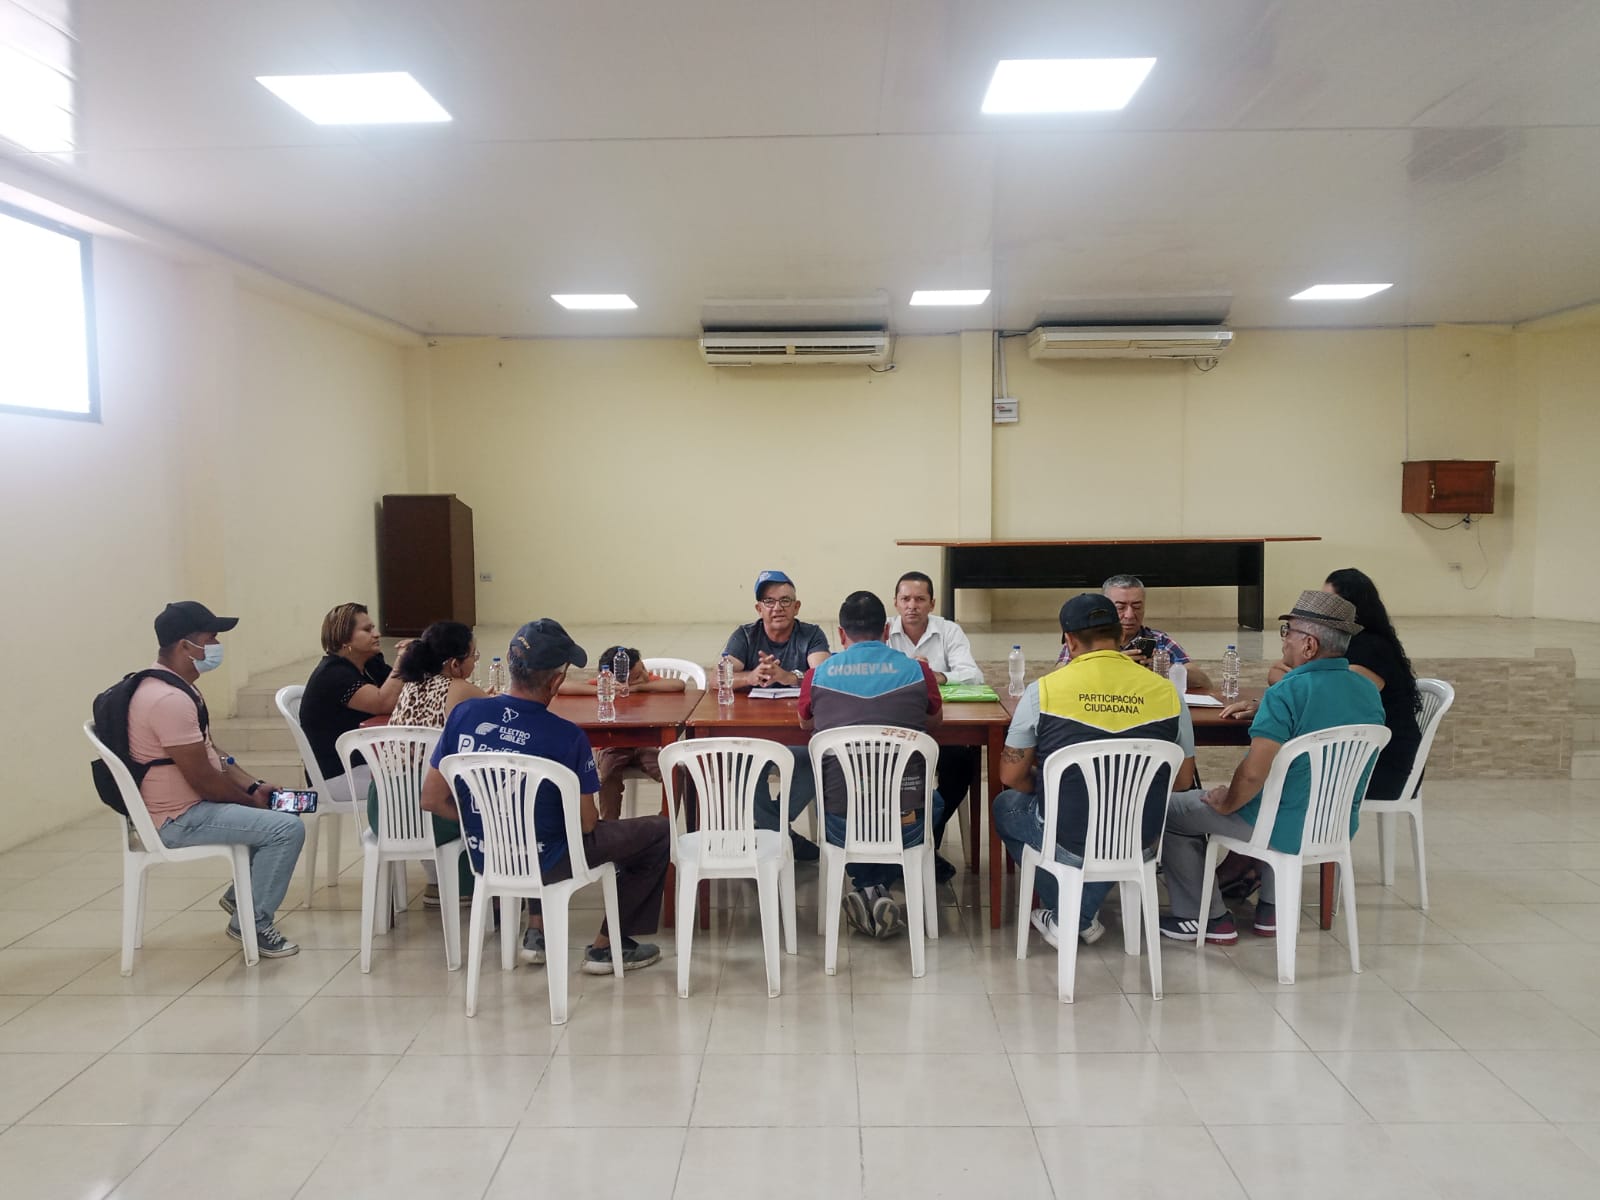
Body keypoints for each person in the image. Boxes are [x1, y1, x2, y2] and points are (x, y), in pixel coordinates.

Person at [421, 619, 670, 973]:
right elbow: (587, 823)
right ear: (555, 682)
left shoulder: (464, 714)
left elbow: (431, 799)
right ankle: (608, 947)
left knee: (534, 822)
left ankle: (536, 931)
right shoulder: (566, 736)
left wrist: (495, 823)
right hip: (549, 859)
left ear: (510, 664)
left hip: (488, 854)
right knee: (658, 833)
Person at [1158, 590, 1385, 943]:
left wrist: (1226, 802)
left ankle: (1206, 919)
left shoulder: (1287, 693)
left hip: (1277, 826)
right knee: (1290, 792)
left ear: (1309, 645)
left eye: (1288, 632)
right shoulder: (1367, 691)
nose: (1284, 641)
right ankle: (1272, 911)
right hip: (1335, 824)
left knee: (1169, 811)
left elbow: (1252, 773)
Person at [994, 594, 1184, 948]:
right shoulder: (1168, 693)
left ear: (1069, 640)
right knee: (1115, 824)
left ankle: (1073, 916)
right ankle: (1077, 912)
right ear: (1120, 634)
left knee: (1007, 806)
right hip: (1140, 837)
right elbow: (1183, 779)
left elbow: (1011, 776)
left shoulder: (1043, 692)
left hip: (1068, 837)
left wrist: (1050, 784)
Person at [129, 602, 306, 957]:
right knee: (286, 829)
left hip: (188, 807)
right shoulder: (167, 699)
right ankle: (251, 924)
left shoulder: (175, 686)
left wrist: (253, 786)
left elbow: (212, 752)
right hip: (178, 819)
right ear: (185, 646)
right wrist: (251, 803)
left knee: (277, 812)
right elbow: (205, 781)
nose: (216, 646)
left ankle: (241, 897)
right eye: (210, 638)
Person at [798, 590, 943, 939]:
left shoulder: (817, 675)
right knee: (934, 802)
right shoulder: (918, 671)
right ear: (886, 630)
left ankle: (868, 888)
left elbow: (805, 724)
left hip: (841, 824)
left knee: (851, 803)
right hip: (906, 822)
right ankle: (878, 888)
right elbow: (934, 720)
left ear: (841, 634)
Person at [1262, 569, 1422, 803]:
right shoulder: (1332, 645)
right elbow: (1277, 673)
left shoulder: (1372, 649)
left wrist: (1290, 691)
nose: (1324, 608)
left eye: (1331, 601)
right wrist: (1294, 689)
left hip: (1381, 763)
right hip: (1349, 752)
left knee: (1279, 779)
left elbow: (1334, 696)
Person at [722, 570, 831, 858]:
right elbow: (716, 678)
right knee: (742, 764)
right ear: (759, 608)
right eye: (769, 601)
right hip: (753, 733)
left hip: (796, 733)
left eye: (785, 601)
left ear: (797, 606)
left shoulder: (811, 634)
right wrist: (749, 676)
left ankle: (769, 831)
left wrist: (789, 676)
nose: (777, 608)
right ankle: (782, 835)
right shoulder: (746, 635)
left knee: (816, 758)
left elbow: (824, 674)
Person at [885, 570, 984, 883]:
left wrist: (935, 676)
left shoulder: (948, 630)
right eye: (905, 599)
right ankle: (912, 847)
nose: (912, 605)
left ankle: (925, 842)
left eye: (920, 599)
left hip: (939, 724)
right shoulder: (884, 631)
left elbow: (973, 675)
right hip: (895, 729)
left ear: (932, 603)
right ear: (896, 602)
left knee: (962, 764)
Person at [389, 620, 488, 907]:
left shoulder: (409, 685)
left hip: (386, 809)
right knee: (490, 798)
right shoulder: (461, 689)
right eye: (473, 656)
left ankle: (436, 882)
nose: (474, 662)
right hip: (431, 810)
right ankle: (472, 885)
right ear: (455, 664)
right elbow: (502, 709)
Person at [557, 646, 688, 820]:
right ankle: (610, 824)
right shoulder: (606, 684)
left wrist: (639, 687)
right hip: (611, 746)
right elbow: (562, 687)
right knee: (608, 777)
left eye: (643, 669)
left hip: (643, 745)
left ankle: (666, 822)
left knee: (676, 772)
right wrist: (603, 690)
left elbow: (679, 685)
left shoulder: (647, 682)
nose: (645, 675)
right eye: (637, 676)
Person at [298, 602, 409, 808]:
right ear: (344, 638)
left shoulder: (369, 666)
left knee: (425, 771)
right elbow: (383, 703)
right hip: (338, 775)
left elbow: (405, 691)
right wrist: (404, 661)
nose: (376, 634)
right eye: (367, 630)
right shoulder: (333, 674)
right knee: (418, 783)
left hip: (365, 762)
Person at [1055, 574, 1212, 691]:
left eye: (1137, 607)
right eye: (1120, 607)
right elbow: (1058, 677)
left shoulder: (1158, 640)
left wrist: (1161, 667)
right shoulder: (1089, 639)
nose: (1129, 615)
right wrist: (1111, 664)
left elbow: (1203, 682)